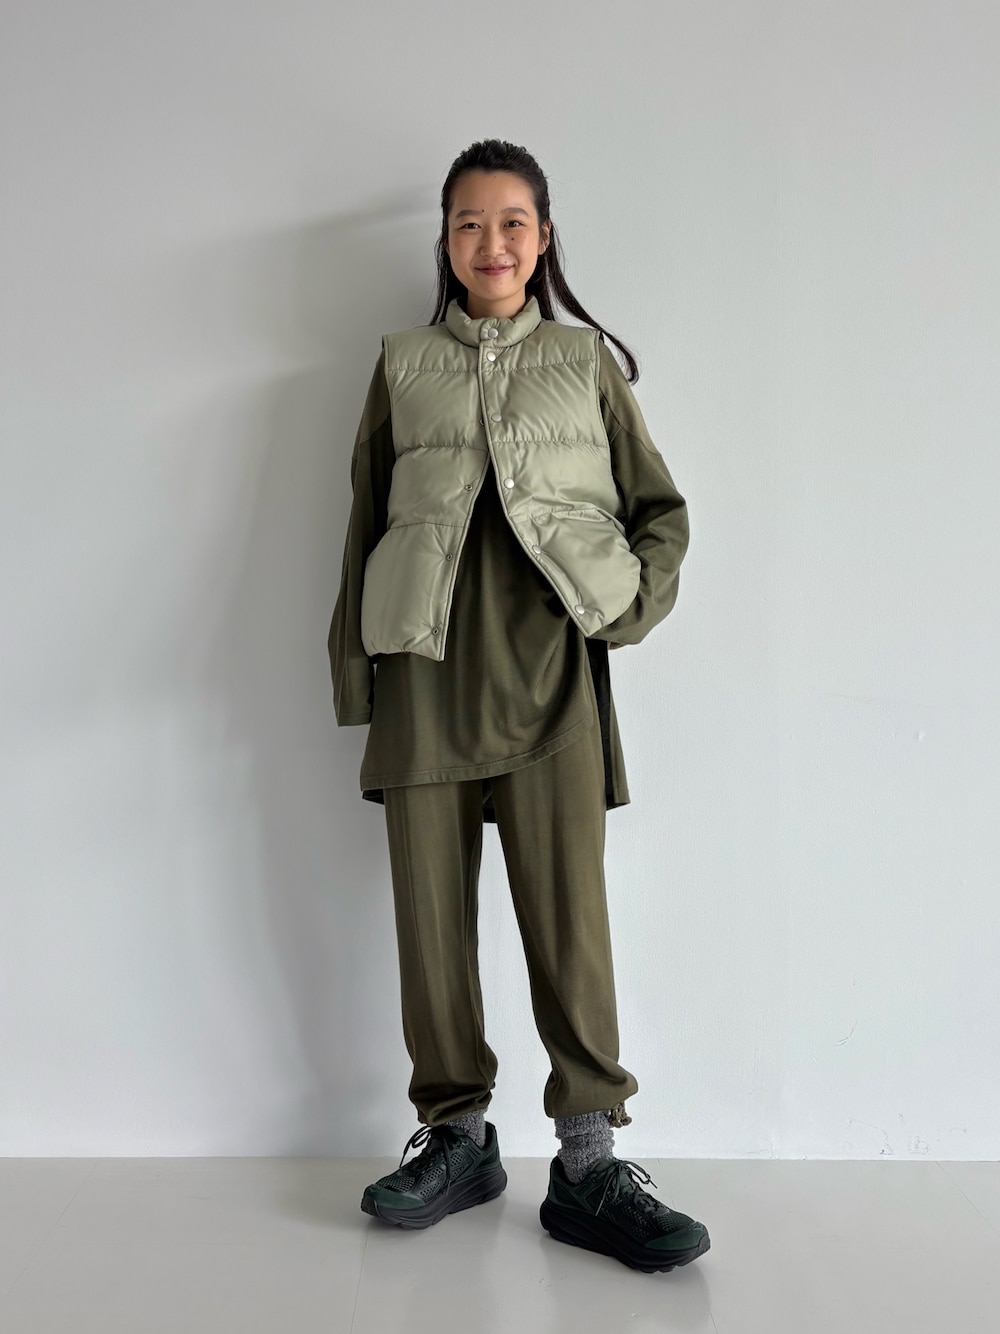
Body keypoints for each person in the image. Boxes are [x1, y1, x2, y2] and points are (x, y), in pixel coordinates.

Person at [328, 138, 710, 1274]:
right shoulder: (402, 364)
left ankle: (587, 1166)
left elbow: (660, 509)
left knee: (571, 927)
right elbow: (361, 525)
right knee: (431, 927)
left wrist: (627, 607)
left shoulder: (583, 361)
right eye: (467, 222)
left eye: (510, 222)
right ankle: (458, 1140)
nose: (489, 242)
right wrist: (354, 675)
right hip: (426, 677)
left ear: (542, 239)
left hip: (550, 676)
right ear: (444, 244)